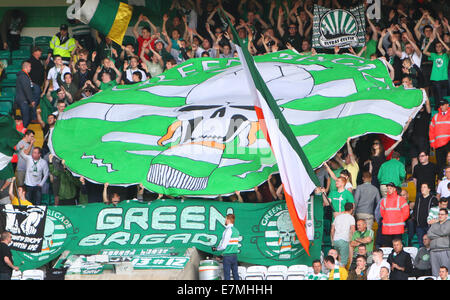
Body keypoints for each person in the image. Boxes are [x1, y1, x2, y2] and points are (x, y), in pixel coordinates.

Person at [380, 182, 410, 247]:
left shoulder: (401, 200)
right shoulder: (384, 201)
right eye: (387, 188)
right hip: (388, 230)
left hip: (397, 229)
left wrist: (400, 220)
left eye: (390, 188)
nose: (388, 189)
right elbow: (382, 213)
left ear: (394, 189)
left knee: (397, 248)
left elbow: (406, 213)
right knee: (389, 249)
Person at [212, 214, 240, 280]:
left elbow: (224, 246)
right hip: (234, 256)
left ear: (228, 220)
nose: (225, 220)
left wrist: (216, 249)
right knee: (235, 274)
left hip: (227, 257)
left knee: (227, 276)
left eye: (226, 219)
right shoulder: (236, 231)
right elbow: (231, 245)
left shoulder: (227, 230)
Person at [413, 183, 438, 247]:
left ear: (429, 189)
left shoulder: (433, 199)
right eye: (421, 187)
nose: (422, 189)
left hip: (429, 226)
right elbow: (415, 210)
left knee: (431, 243)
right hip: (419, 226)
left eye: (424, 187)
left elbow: (436, 212)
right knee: (421, 244)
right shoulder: (418, 198)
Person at [429, 97, 450, 174]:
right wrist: (432, 144)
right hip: (438, 145)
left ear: (447, 105)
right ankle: (441, 179)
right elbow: (431, 131)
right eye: (440, 105)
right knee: (440, 164)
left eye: (443, 105)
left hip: (448, 142)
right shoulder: (436, 116)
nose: (441, 106)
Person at [331, 202, 355, 268]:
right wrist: (354, 240)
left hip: (336, 240)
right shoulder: (351, 218)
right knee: (343, 262)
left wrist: (333, 239)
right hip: (344, 240)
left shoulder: (337, 217)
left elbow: (332, 230)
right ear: (352, 209)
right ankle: (342, 276)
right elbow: (353, 230)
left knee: (338, 259)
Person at [427, 208, 450, 277]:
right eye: (439, 214)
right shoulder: (434, 224)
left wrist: (435, 233)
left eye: (442, 214)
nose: (440, 216)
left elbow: (444, 231)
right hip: (433, 251)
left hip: (444, 250)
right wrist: (441, 235)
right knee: (435, 273)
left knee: (445, 273)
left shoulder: (449, 223)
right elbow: (429, 234)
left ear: (446, 215)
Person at [15, 61, 34, 128]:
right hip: (23, 100)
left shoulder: (23, 76)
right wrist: (31, 100)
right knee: (26, 118)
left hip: (22, 99)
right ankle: (22, 133)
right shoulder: (23, 76)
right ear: (26, 67)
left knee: (26, 117)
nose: (31, 68)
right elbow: (27, 89)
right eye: (30, 66)